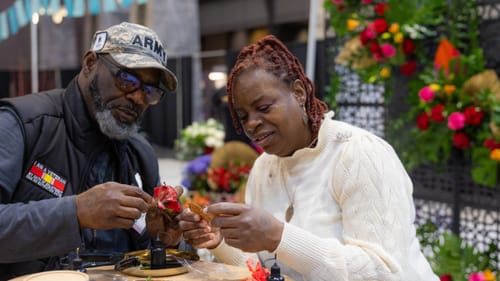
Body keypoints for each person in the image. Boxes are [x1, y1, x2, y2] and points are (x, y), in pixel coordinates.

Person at [178, 35, 439, 280]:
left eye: (264, 107)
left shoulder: (359, 154)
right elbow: (263, 272)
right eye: (243, 115)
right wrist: (219, 242)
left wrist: (278, 236)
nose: (252, 124)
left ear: (300, 93)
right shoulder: (263, 168)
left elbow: (382, 272)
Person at [0, 22, 183, 279]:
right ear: (89, 63)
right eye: (127, 79)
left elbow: (148, 258)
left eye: (150, 91)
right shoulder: (24, 124)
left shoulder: (141, 155)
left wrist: (166, 240)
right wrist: (75, 212)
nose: (138, 98)